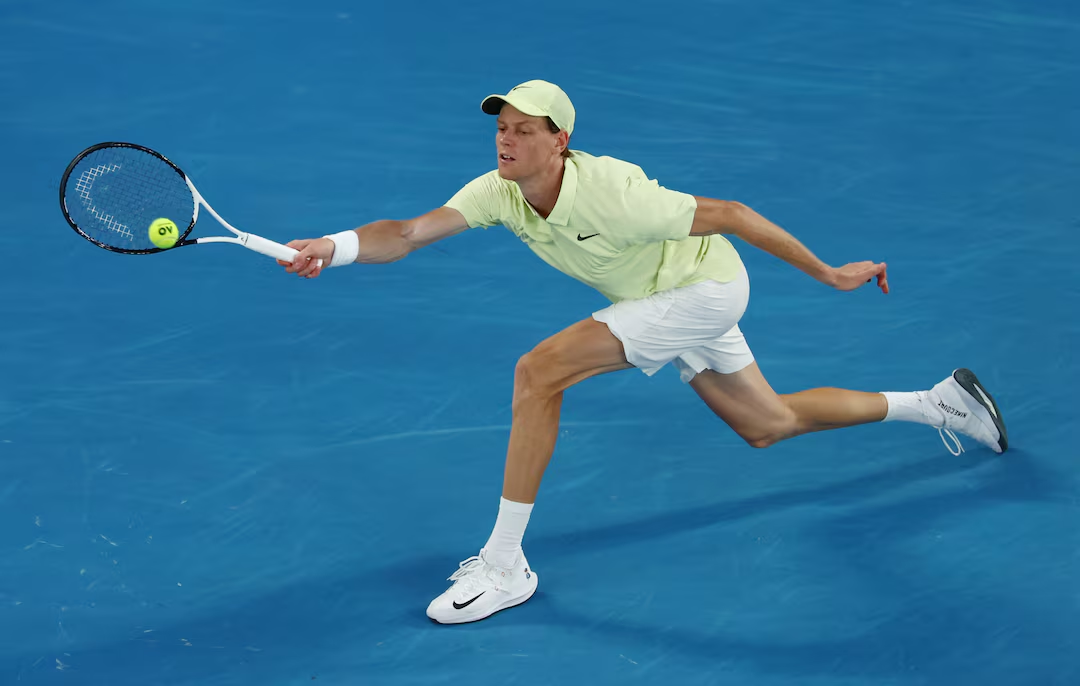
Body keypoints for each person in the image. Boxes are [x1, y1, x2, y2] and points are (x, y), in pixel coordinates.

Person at [278, 80, 1008, 625]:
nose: (506, 141)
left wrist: (828, 274)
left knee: (538, 373)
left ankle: (504, 565)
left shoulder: (616, 194)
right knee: (768, 423)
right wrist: (334, 247)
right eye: (501, 128)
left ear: (560, 141)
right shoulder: (500, 191)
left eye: (525, 131)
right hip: (671, 295)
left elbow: (732, 214)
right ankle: (939, 403)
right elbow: (407, 233)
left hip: (705, 291)